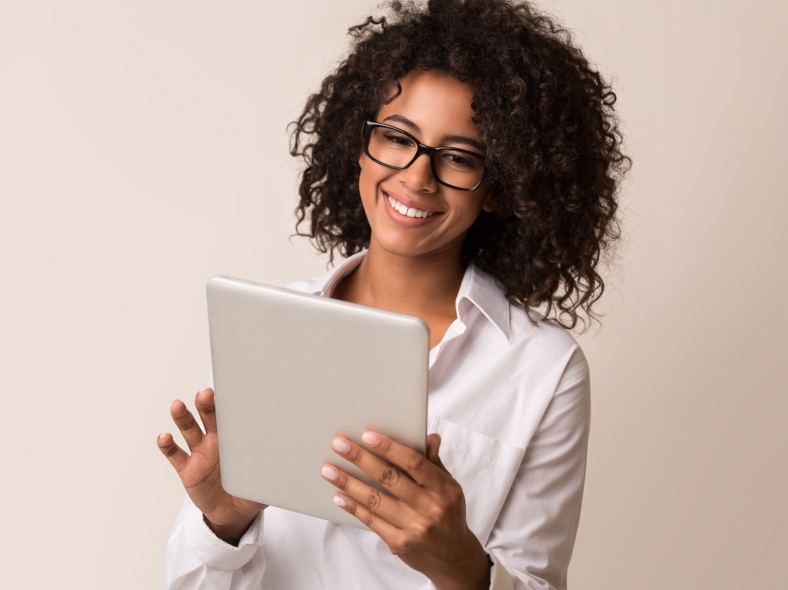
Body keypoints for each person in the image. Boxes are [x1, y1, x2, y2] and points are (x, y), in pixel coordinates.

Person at [156, 0, 628, 588]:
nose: (416, 176)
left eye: (459, 157)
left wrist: (461, 564)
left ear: (501, 189)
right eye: (398, 138)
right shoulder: (267, 329)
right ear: (358, 145)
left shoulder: (544, 368)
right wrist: (221, 527)